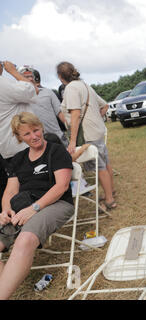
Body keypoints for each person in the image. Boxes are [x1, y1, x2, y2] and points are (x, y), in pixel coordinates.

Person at [0, 112, 74, 300]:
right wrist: (6, 210)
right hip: (24, 206)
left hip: (56, 203)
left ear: (41, 128)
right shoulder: (18, 159)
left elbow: (61, 186)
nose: (34, 136)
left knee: (24, 240)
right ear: (19, 137)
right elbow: (10, 190)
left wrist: (34, 209)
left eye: (36, 130)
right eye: (27, 134)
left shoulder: (56, 151)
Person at [56, 62, 117, 210]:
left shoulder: (70, 89)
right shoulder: (84, 85)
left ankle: (109, 200)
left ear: (60, 77)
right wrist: (95, 118)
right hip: (96, 130)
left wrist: (72, 141)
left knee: (99, 166)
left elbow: (75, 115)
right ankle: (111, 192)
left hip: (88, 134)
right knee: (104, 162)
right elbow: (104, 105)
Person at [0, 61, 37, 212]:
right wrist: (14, 72)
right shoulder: (2, 83)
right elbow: (31, 91)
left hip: (6, 145)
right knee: (26, 188)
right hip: (18, 144)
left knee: (11, 185)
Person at [18, 66, 69, 147]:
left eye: (31, 76)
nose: (30, 79)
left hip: (57, 138)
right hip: (36, 142)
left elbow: (60, 113)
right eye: (26, 77)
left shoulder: (48, 92)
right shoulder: (18, 97)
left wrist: (71, 129)